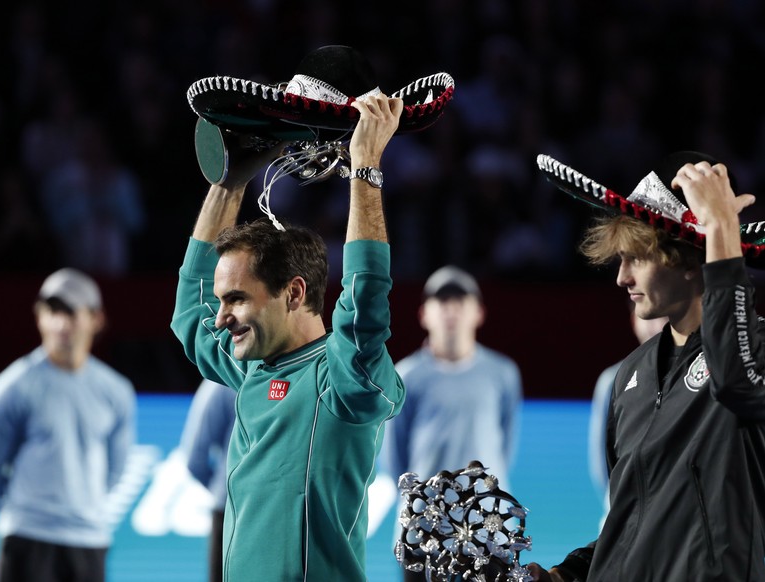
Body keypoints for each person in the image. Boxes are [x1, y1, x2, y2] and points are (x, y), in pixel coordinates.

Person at [170, 90, 406, 581]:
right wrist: (230, 181)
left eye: (236, 299)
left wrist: (364, 168)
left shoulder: (345, 381)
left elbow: (365, 302)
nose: (220, 317)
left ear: (294, 293)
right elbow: (191, 312)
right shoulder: (250, 365)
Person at [529, 151, 765, 581]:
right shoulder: (630, 375)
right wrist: (568, 574)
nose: (622, 278)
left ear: (691, 262)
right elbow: (633, 519)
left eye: (636, 257)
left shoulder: (756, 350)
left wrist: (721, 233)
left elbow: (738, 384)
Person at [0, 268, 137, 582]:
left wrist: (83, 508)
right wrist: (24, 514)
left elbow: (116, 469)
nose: (60, 324)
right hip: (28, 537)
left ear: (95, 319)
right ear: (39, 317)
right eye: (51, 312)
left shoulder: (116, 391)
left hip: (88, 540)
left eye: (70, 312)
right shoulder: (12, 387)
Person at [383, 265, 522, 582]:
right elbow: (396, 460)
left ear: (479, 313)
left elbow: (504, 446)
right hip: (424, 535)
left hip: (489, 534)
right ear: (423, 314)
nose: (451, 310)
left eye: (460, 301)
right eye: (441, 301)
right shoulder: (405, 377)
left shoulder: (502, 373)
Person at [587, 307, 667, 503]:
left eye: (661, 317)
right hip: (624, 512)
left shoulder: (697, 375)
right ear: (633, 321)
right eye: (646, 318)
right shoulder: (613, 379)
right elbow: (601, 461)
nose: (653, 326)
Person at [181, 379, 237, 582]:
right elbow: (195, 459)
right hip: (234, 509)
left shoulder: (221, 382)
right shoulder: (221, 382)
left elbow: (194, 456)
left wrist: (224, 488)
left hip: (229, 506)